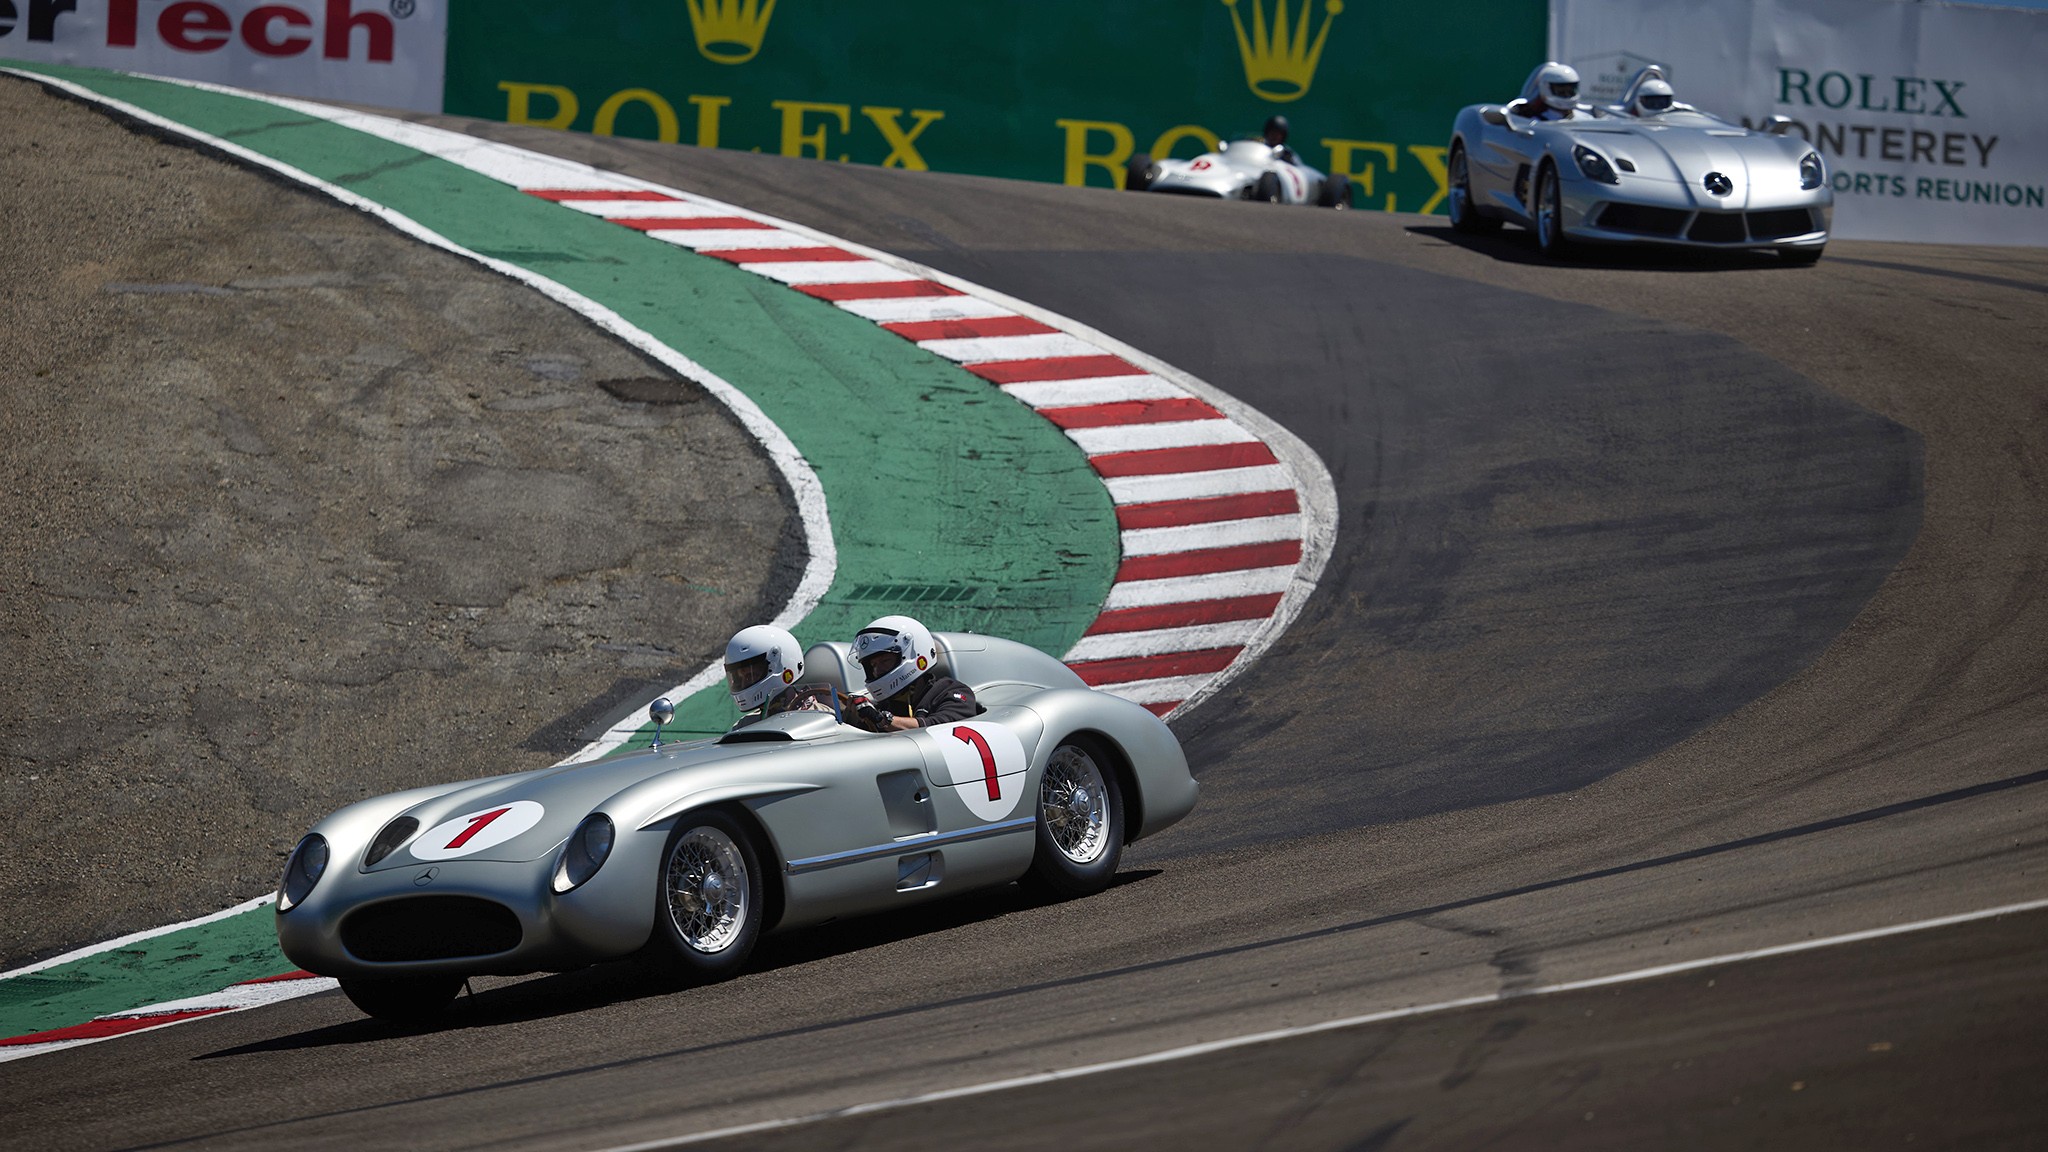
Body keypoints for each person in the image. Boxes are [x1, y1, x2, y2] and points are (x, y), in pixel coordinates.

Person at [846, 614, 977, 733]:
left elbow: (940, 727)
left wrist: (882, 719)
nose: (877, 670)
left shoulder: (950, 692)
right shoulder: (885, 705)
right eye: (873, 665)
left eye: (885, 661)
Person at [723, 624, 826, 728]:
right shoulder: (744, 726)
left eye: (751, 675)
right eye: (739, 678)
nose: (744, 683)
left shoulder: (823, 719)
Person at [1510, 62, 1583, 121]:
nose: (1567, 95)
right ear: (1545, 88)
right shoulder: (1534, 121)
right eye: (1561, 91)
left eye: (1570, 91)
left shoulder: (1584, 117)